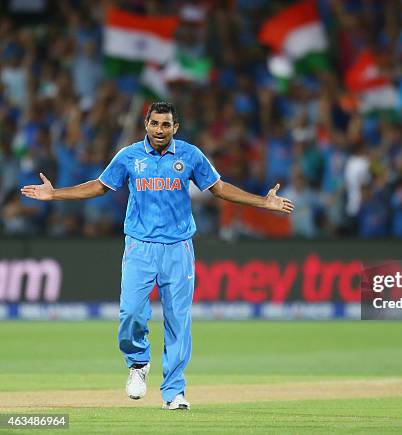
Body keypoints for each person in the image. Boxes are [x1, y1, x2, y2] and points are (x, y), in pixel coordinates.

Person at [21, 101, 294, 409]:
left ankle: (174, 392)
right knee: (131, 312)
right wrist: (55, 194)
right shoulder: (129, 156)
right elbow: (99, 186)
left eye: (166, 125)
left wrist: (263, 202)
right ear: (146, 125)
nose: (160, 130)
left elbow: (218, 188)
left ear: (175, 128)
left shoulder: (190, 155)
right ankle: (138, 363)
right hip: (140, 246)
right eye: (155, 124)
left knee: (178, 321)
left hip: (179, 247)